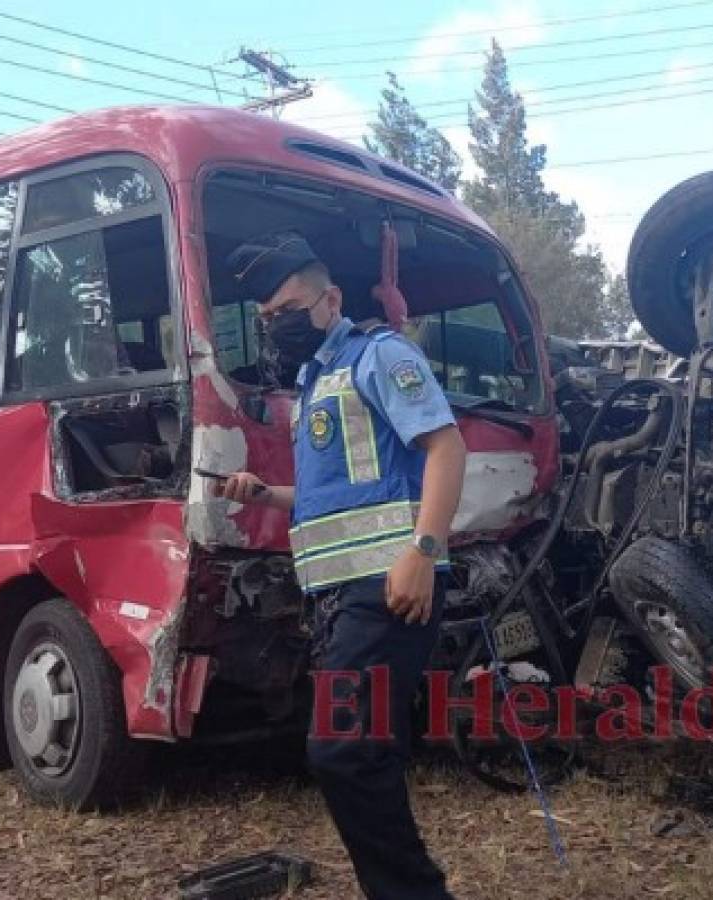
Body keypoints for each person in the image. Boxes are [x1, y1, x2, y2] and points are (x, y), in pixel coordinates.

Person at [218, 232, 465, 900]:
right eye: (267, 316)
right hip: (337, 597)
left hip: (387, 588)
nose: (277, 323)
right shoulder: (311, 382)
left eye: (289, 306)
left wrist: (423, 551)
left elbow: (446, 448)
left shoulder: (379, 354)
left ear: (330, 300)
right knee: (363, 753)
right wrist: (265, 494)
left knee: (343, 752)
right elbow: (346, 493)